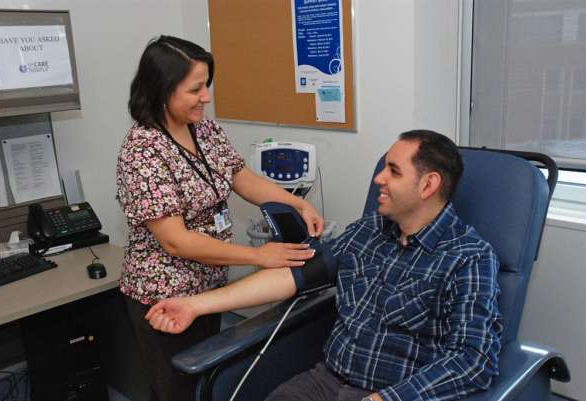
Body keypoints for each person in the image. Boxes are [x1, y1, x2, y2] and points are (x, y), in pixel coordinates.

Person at [146, 130, 504, 401]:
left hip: (394, 393)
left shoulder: (468, 258)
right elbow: (293, 274)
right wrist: (195, 304)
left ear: (428, 184)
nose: (378, 178)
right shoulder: (368, 231)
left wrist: (386, 399)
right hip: (327, 381)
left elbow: (473, 360)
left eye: (393, 171)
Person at [116, 36, 323, 401]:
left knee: (210, 380)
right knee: (176, 389)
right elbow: (175, 240)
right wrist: (259, 256)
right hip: (165, 294)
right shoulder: (143, 150)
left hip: (210, 284)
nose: (206, 98)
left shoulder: (205, 130)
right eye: (195, 89)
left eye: (207, 86)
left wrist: (297, 204)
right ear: (163, 89)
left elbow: (243, 180)